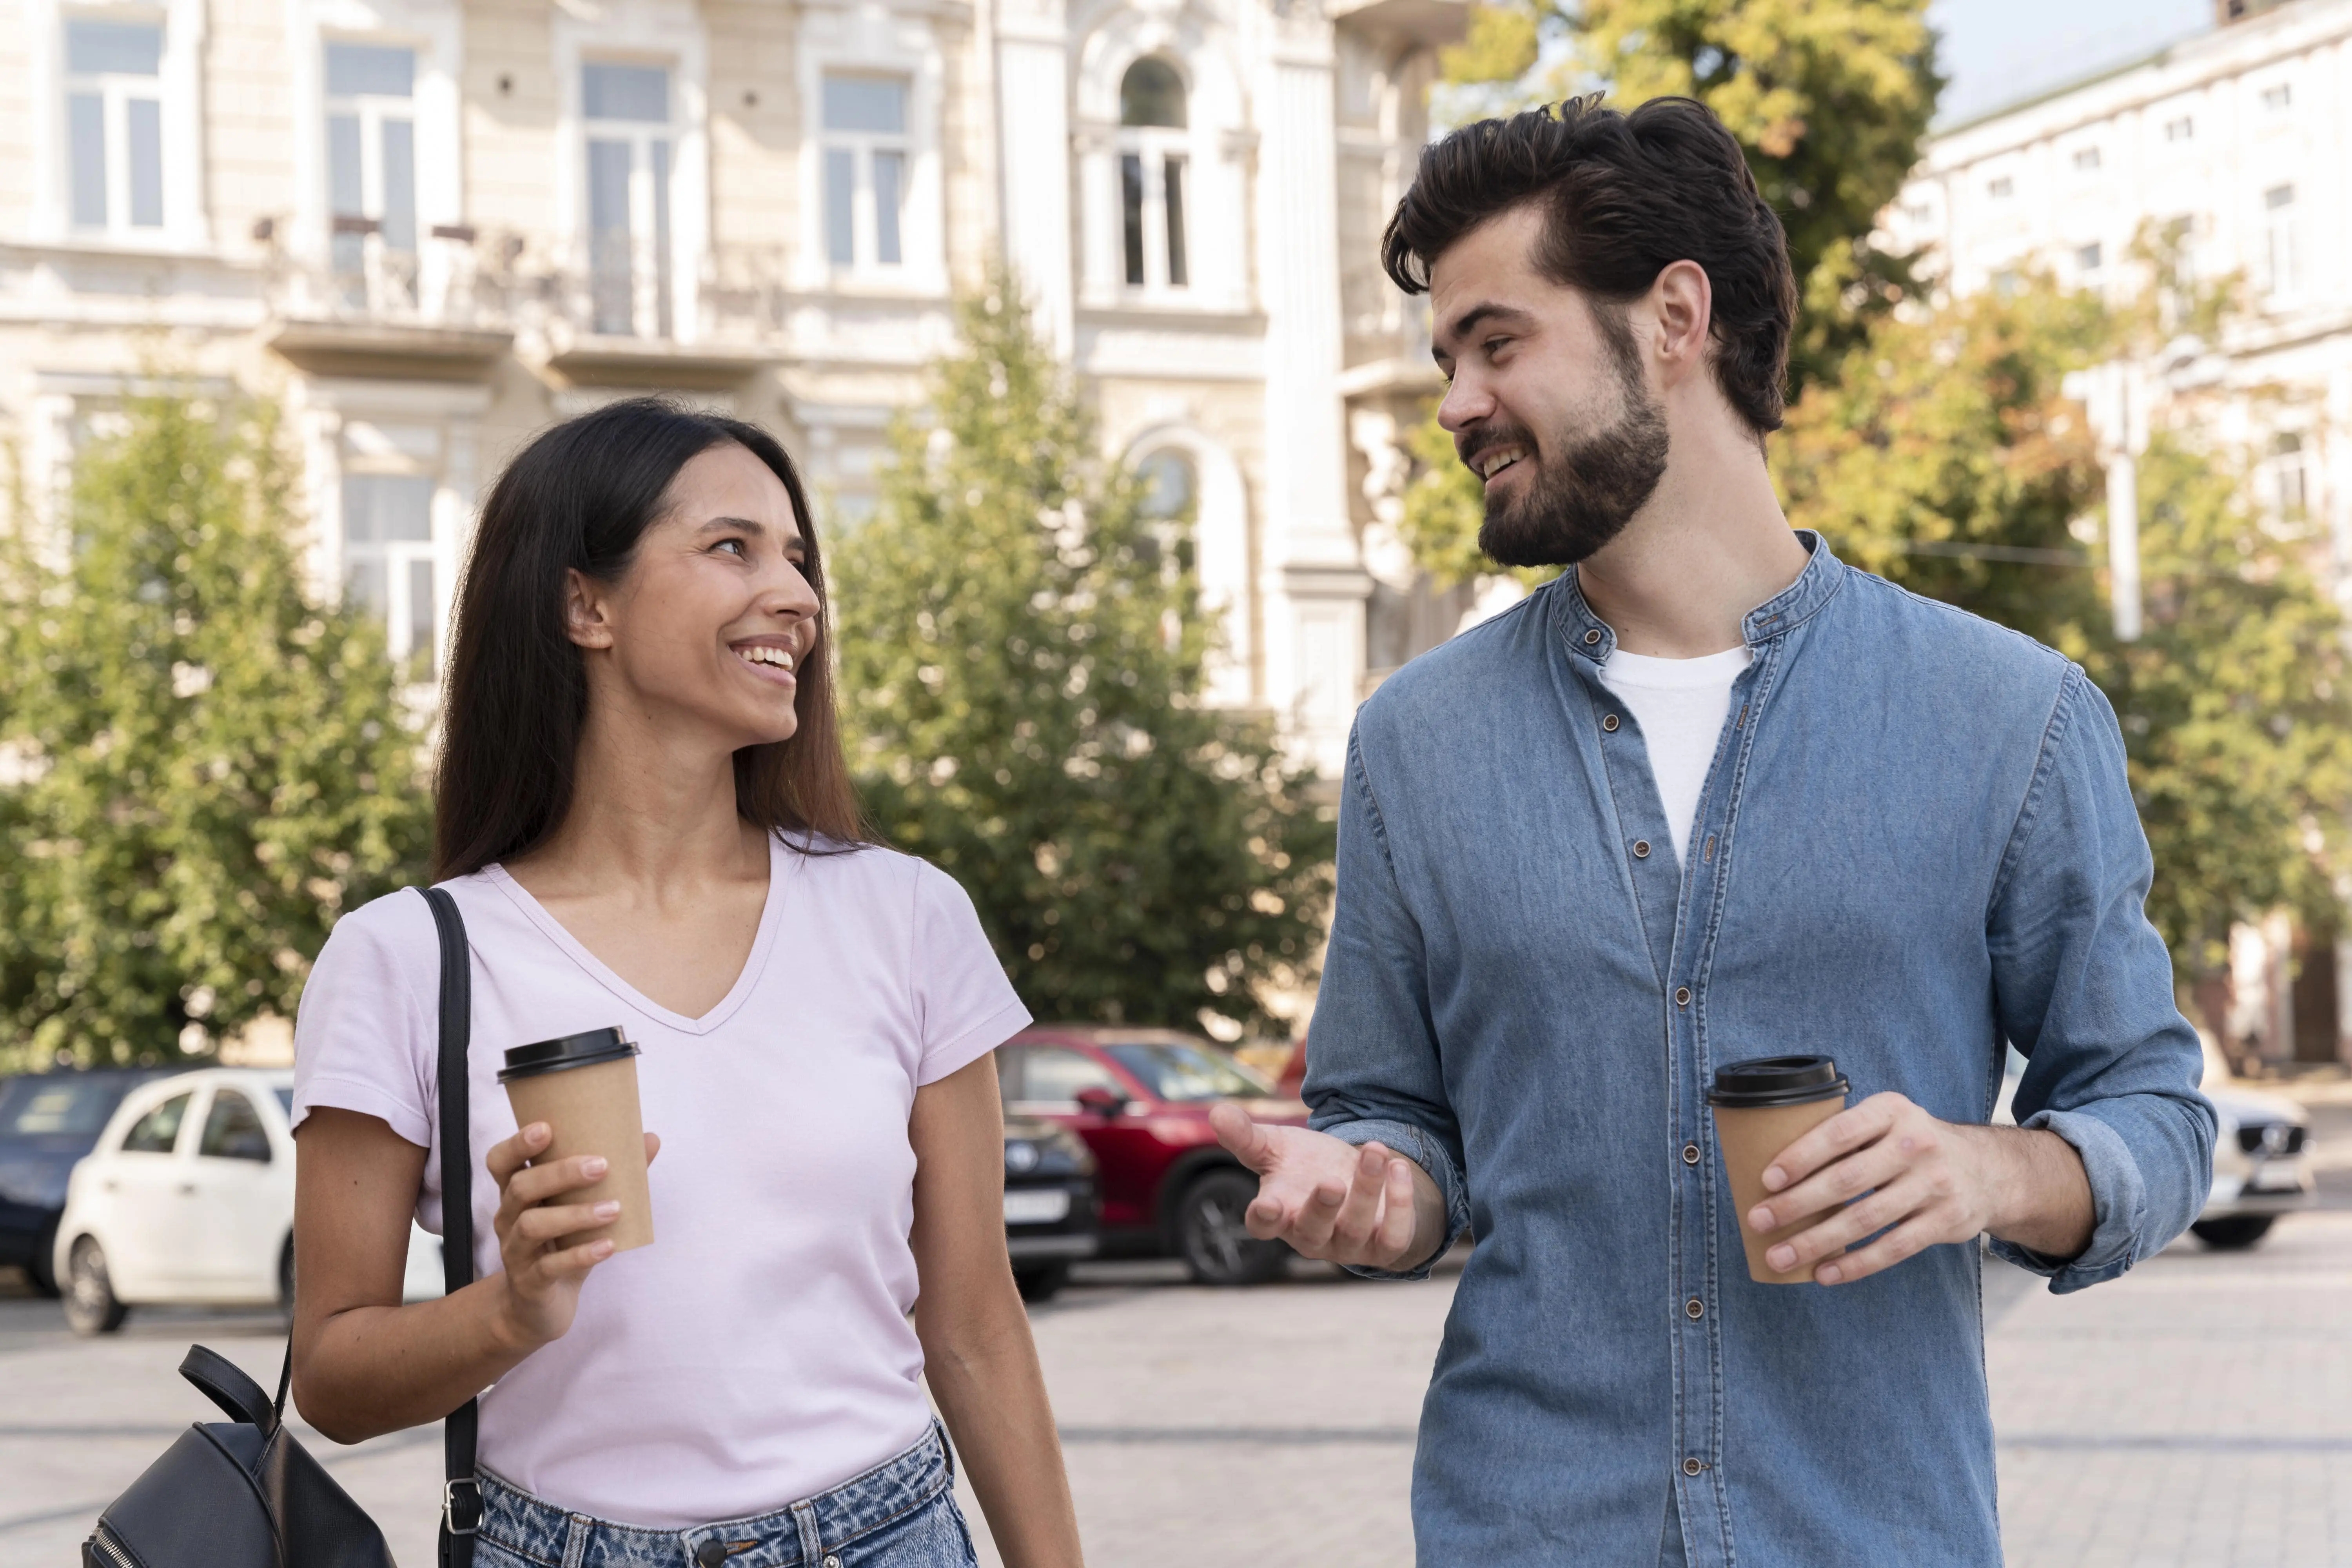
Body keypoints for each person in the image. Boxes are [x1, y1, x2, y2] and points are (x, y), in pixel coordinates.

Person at [1210, 97, 2214, 1567]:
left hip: (1874, 1533)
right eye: (1447, 360)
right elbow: (1391, 1115)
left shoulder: (2014, 715)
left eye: (1498, 342)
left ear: (1673, 317)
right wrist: (1376, 1188)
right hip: (1524, 1529)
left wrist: (1989, 1173)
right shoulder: (1414, 744)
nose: (1455, 403)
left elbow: (2155, 1113)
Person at [289, 400, 1083, 1567]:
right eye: (733, 548)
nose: (799, 598)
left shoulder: (906, 916)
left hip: (887, 1537)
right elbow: (334, 1378)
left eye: (799, 560)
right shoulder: (407, 960)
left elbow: (974, 1328)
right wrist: (510, 1310)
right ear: (584, 604)